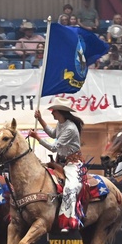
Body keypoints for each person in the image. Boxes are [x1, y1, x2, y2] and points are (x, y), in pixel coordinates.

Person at [30, 99, 85, 231]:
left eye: (54, 110)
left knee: (70, 188)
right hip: (61, 162)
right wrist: (41, 119)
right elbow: (53, 133)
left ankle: (69, 219)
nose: (52, 112)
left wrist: (37, 137)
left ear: (60, 112)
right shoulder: (61, 124)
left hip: (72, 163)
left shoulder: (70, 128)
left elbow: (54, 147)